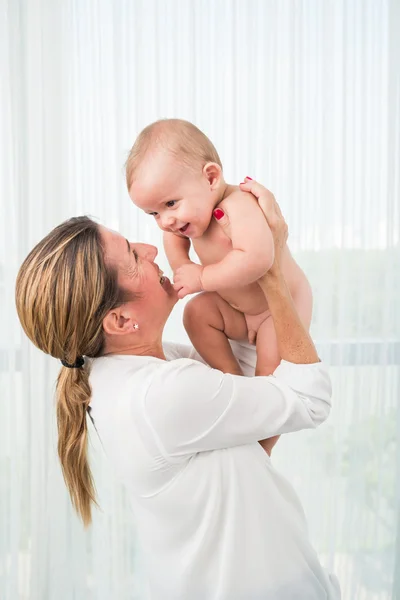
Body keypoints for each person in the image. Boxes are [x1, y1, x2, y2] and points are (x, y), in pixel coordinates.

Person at [15, 180, 340, 599]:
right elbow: (308, 398)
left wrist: (234, 262)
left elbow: (253, 382)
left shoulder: (131, 371)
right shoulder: (161, 394)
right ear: (118, 321)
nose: (151, 250)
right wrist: (271, 270)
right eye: (133, 256)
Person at [125, 119, 313, 380]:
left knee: (269, 373)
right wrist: (182, 266)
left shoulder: (240, 205)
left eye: (171, 203)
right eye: (154, 212)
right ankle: (230, 376)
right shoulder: (186, 221)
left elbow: (258, 259)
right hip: (236, 309)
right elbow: (172, 239)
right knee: (195, 314)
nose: (165, 220)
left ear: (211, 178)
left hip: (276, 308)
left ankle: (258, 386)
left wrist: (202, 277)